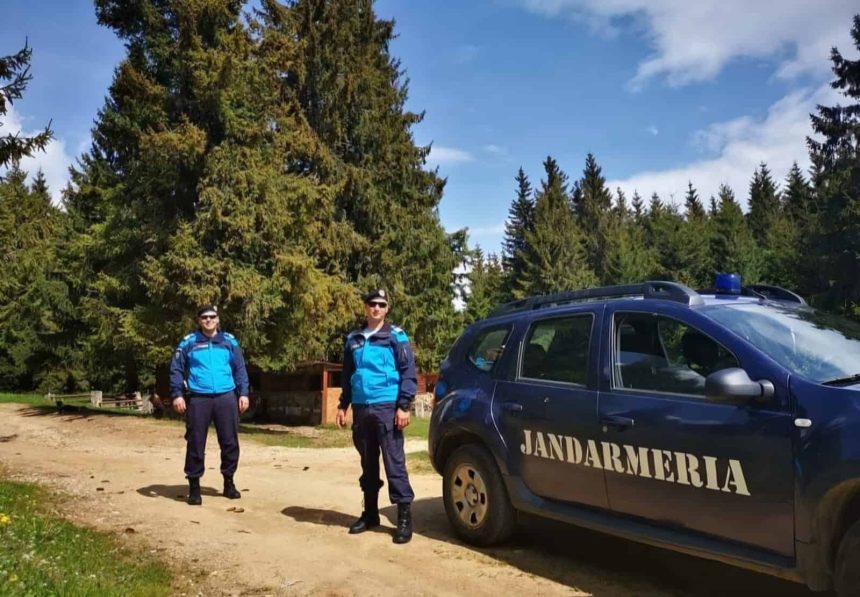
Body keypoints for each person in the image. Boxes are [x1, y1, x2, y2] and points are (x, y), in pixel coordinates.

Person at [336, 289, 417, 544]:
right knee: (368, 463)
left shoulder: (396, 336)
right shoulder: (354, 339)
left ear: (386, 309)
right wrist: (343, 404)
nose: (377, 308)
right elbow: (348, 374)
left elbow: (408, 372)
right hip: (362, 408)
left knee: (394, 463)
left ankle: (404, 519)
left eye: (381, 304)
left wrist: (404, 405)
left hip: (387, 406)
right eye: (372, 304)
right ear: (366, 307)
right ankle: (370, 514)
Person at [169, 305, 250, 506]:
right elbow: (176, 369)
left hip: (226, 397)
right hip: (199, 399)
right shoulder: (189, 342)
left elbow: (240, 368)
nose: (208, 320)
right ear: (199, 321)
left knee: (230, 442)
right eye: (204, 317)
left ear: (218, 319)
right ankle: (194, 487)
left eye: (212, 317)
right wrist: (177, 394)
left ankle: (229, 482)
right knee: (196, 442)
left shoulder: (229, 341)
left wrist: (244, 393)